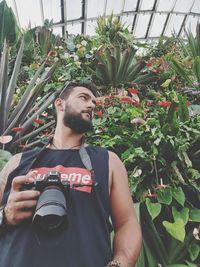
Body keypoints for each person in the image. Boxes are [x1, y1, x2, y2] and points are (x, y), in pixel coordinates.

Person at [0, 80, 142, 267]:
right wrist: (5, 216)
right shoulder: (17, 162)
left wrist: (120, 263)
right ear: (60, 103)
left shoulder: (108, 161)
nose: (91, 104)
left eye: (94, 102)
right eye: (84, 97)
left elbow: (127, 223)